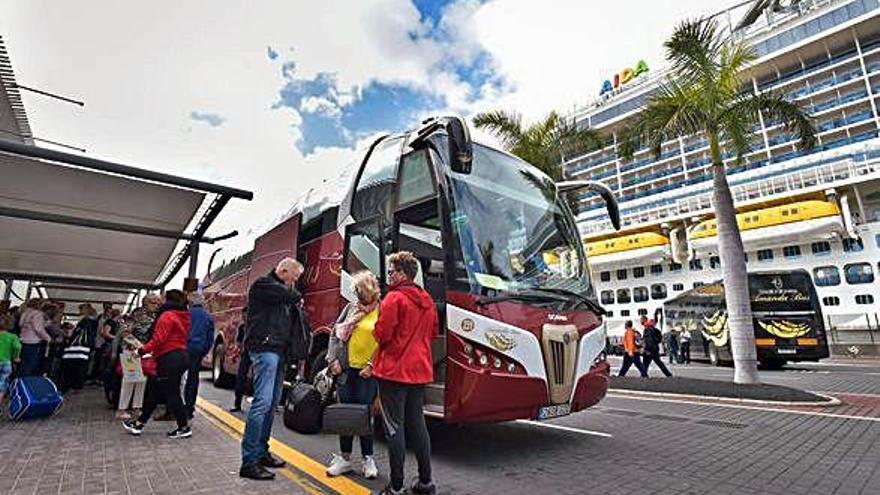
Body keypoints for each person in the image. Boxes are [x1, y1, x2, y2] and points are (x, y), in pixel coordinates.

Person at [373, 252, 438, 495]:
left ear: (401, 273)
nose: (389, 276)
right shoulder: (427, 299)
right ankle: (425, 482)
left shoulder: (394, 298)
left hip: (394, 370)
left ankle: (397, 486)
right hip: (419, 370)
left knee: (393, 427)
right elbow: (432, 333)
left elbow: (382, 334)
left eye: (391, 272)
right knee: (418, 425)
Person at [239, 258, 308, 481]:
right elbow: (293, 296)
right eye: (294, 278)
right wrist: (295, 293)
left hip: (279, 352)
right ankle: (249, 461)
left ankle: (261, 452)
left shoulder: (279, 292)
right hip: (265, 349)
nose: (294, 283)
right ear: (283, 271)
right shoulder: (263, 285)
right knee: (262, 403)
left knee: (271, 405)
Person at [325, 271, 381, 480]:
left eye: (359, 292)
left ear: (369, 291)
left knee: (365, 416)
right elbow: (334, 333)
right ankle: (344, 458)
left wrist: (373, 365)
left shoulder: (382, 310)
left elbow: (386, 341)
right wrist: (333, 361)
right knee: (345, 415)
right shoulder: (351, 308)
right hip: (346, 371)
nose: (357, 296)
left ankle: (368, 459)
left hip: (368, 372)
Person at [122, 290, 193, 439]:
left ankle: (184, 427)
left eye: (162, 298)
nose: (160, 301)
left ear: (167, 299)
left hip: (169, 358)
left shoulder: (167, 316)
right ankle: (139, 424)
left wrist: (141, 351)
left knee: (172, 393)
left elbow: (159, 339)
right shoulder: (183, 315)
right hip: (180, 356)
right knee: (154, 390)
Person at [183, 292, 214, 419]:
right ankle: (189, 409)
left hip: (182, 349)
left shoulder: (185, 314)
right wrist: (204, 351)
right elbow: (210, 338)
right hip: (197, 350)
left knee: (177, 378)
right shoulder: (208, 317)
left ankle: (174, 407)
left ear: (190, 303)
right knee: (192, 379)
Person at [60, 305, 94, 392]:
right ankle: (77, 385)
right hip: (85, 349)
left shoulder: (84, 321)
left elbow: (78, 334)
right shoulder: (92, 321)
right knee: (81, 367)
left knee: (72, 367)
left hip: (76, 348)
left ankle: (69, 385)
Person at [19, 299, 51, 376]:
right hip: (33, 341)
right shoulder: (37, 314)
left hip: (23, 340)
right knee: (31, 364)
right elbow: (38, 328)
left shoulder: (25, 313)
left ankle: (21, 381)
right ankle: (27, 382)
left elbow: (21, 324)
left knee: (23, 363)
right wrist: (48, 338)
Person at [0, 314, 22, 413]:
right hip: (6, 363)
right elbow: (17, 347)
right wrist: (16, 356)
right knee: (2, 386)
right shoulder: (13, 336)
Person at [230, 306, 250, 413]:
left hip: (255, 353)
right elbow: (238, 343)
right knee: (240, 378)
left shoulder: (256, 326)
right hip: (245, 354)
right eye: (243, 315)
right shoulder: (242, 327)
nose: (244, 317)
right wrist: (235, 354)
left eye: (245, 315)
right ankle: (237, 403)